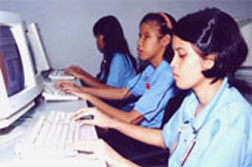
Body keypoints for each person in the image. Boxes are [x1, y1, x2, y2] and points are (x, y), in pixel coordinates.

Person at [69, 8, 252, 167]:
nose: (172, 63)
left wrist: (112, 157)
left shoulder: (231, 122)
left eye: (181, 55)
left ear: (209, 61)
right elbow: (164, 138)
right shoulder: (193, 100)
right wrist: (111, 122)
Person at [58, 12, 177, 128]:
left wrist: (88, 96)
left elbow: (131, 119)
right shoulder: (151, 69)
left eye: (146, 37)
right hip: (130, 125)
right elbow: (122, 93)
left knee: (81, 127)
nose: (139, 43)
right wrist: (80, 89)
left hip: (141, 138)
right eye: (140, 36)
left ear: (165, 40)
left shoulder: (167, 75)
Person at [61, 15, 136, 89]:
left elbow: (109, 90)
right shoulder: (111, 56)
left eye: (97, 36)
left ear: (107, 36)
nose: (96, 41)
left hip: (119, 101)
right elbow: (100, 83)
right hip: (112, 98)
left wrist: (81, 77)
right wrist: (81, 72)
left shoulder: (119, 58)